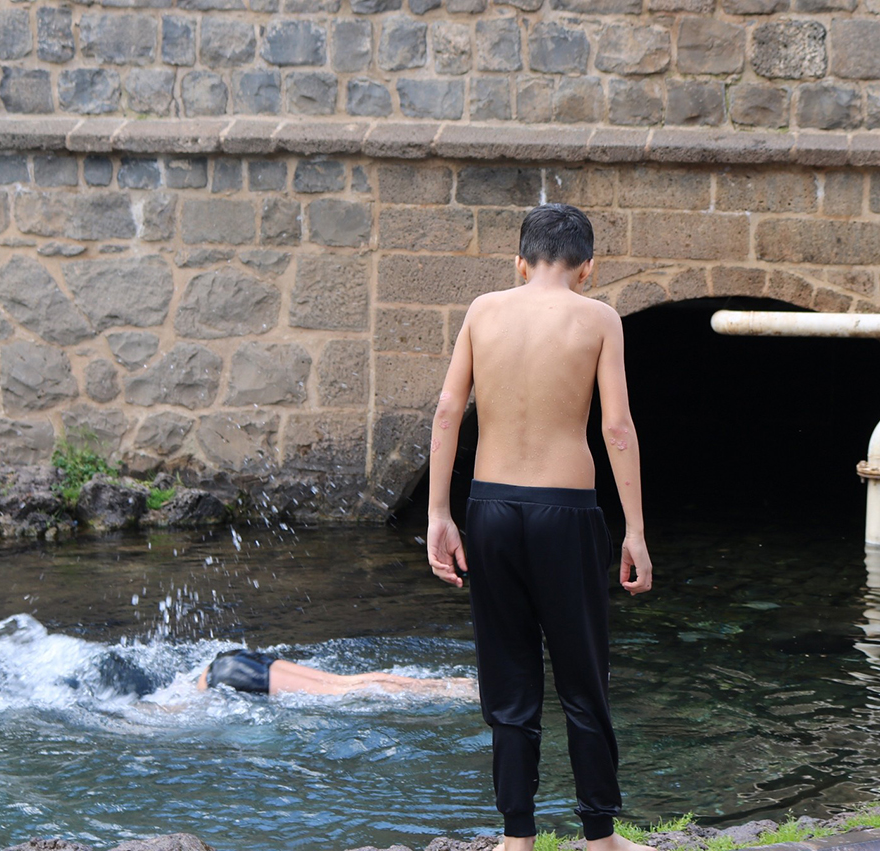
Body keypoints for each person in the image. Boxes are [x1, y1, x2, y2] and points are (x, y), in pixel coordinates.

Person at [426, 203, 654, 851]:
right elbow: (616, 426)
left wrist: (439, 513)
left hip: (489, 508)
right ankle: (600, 836)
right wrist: (634, 528)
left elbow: (448, 409)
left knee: (508, 672)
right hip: (566, 511)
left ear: (519, 262)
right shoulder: (599, 318)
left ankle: (516, 837)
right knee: (582, 673)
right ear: (589, 268)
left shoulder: (482, 309)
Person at [197, 648, 476, 698]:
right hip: (229, 659)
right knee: (345, 682)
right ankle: (455, 686)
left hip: (229, 677)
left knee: (345, 691)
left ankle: (452, 693)